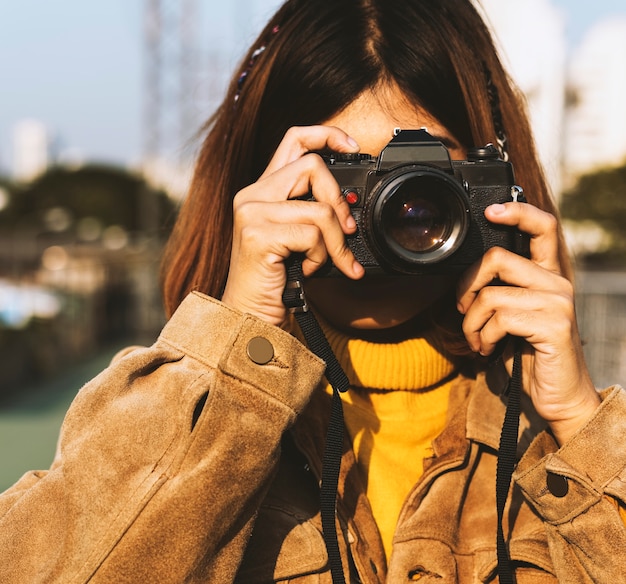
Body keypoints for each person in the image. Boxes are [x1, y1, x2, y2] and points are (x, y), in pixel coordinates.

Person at [2, 0, 625, 582]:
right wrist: (233, 360)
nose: (385, 217)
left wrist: (579, 425)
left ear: (493, 185)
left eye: (426, 183)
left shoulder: (552, 430)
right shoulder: (173, 415)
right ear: (257, 187)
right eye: (342, 178)